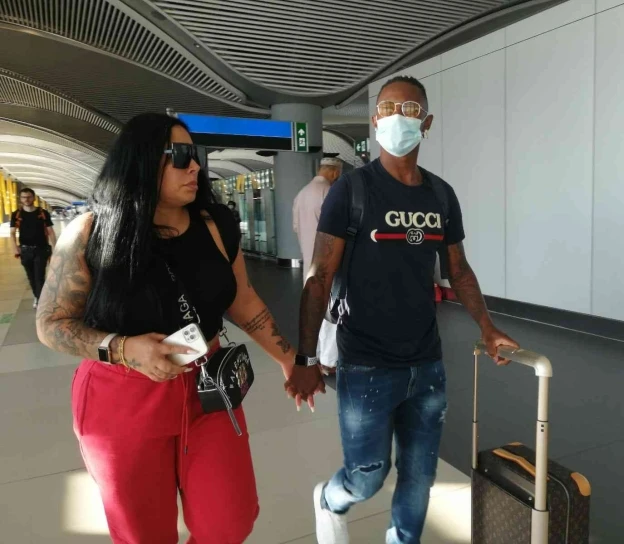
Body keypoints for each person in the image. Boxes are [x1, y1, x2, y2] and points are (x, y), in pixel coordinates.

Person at [36, 113, 301, 544]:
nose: (194, 166)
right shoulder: (90, 232)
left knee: (228, 521)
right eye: (178, 155)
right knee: (144, 533)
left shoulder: (215, 226)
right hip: (122, 397)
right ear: (141, 160)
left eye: (193, 155)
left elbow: (243, 298)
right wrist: (122, 348)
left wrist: (290, 359)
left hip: (208, 388)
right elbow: (51, 323)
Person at [286, 76, 520, 544]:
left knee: (419, 476)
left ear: (426, 123)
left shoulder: (441, 195)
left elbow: (458, 269)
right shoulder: (351, 191)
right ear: (375, 121)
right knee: (367, 476)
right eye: (389, 108)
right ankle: (330, 498)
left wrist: (487, 325)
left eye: (410, 109)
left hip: (426, 363)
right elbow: (319, 277)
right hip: (366, 364)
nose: (398, 117)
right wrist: (306, 359)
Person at [292, 157, 343, 374]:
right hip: (329, 263)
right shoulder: (330, 193)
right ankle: (329, 362)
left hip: (309, 264)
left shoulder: (301, 194)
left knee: (315, 310)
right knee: (332, 311)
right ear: (334, 172)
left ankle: (319, 355)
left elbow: (296, 227)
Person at [10, 187, 56, 309]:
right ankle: (37, 296)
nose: (26, 199)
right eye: (24, 197)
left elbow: (50, 231)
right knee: (31, 276)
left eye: (29, 197)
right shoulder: (16, 214)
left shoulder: (42, 213)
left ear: (34, 198)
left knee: (39, 276)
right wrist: (14, 247)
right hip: (25, 250)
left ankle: (41, 301)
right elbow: (12, 233)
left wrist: (55, 247)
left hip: (41, 249)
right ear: (20, 199)